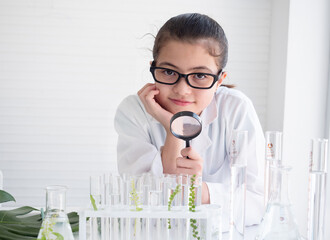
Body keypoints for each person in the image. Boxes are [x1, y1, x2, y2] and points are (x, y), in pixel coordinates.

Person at [114, 13, 264, 230]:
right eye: (168, 71)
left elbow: (257, 203)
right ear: (153, 68)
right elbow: (141, 203)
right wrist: (172, 130)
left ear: (219, 80)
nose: (182, 90)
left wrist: (199, 191)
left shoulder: (236, 109)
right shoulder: (134, 111)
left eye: (200, 76)